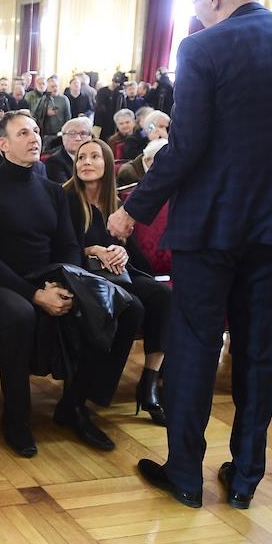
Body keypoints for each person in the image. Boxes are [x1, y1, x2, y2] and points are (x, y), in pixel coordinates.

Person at [108, 0, 272, 510]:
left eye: (195, 4)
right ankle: (245, 478)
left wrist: (133, 210)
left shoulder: (202, 47)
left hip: (211, 228)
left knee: (194, 344)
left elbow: (187, 146)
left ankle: (186, 475)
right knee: (259, 350)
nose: (195, 16)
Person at [0, 112, 142, 457]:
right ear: (3, 145)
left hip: (52, 275)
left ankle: (75, 405)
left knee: (126, 306)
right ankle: (16, 418)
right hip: (3, 282)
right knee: (20, 315)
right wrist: (34, 293)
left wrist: (66, 285)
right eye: (23, 133)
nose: (34, 138)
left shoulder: (51, 191)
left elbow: (68, 247)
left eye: (35, 131)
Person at [64, 139, 170, 426]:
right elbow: (63, 249)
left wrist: (121, 248)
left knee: (163, 296)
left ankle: (148, 384)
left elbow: (137, 259)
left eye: (94, 156)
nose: (86, 162)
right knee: (132, 306)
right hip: (85, 276)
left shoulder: (118, 204)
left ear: (108, 163)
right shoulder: (68, 200)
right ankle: (96, 392)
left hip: (120, 273)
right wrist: (94, 250)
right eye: (81, 157)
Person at [46, 116, 94, 183]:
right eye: (72, 133)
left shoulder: (97, 158)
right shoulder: (54, 162)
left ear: (90, 137)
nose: (78, 138)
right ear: (63, 138)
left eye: (83, 134)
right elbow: (65, 190)